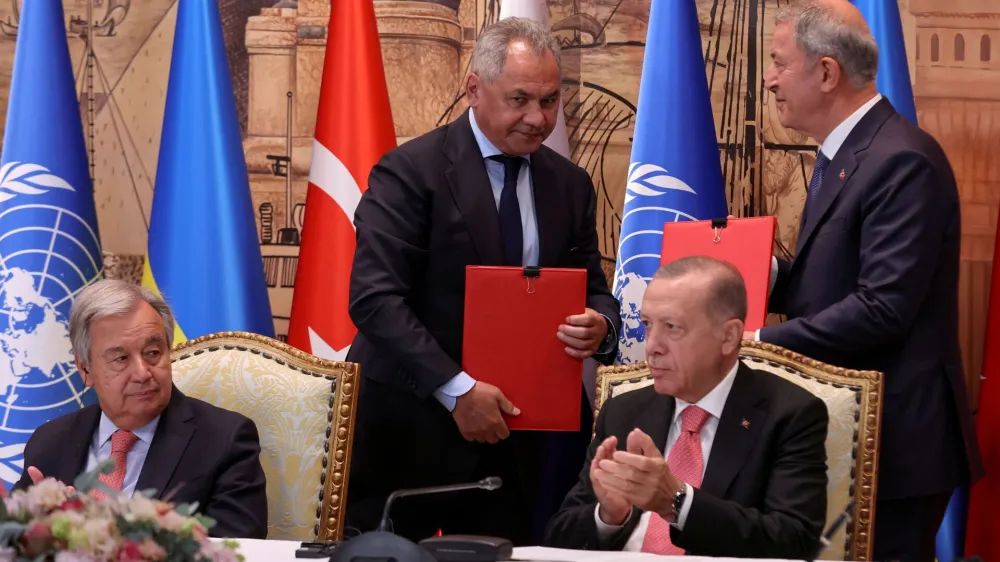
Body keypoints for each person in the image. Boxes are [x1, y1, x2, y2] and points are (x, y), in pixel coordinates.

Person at [344, 17, 621, 545]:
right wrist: (457, 390)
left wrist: (601, 326)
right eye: (520, 99)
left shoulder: (570, 185)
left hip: (517, 446)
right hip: (410, 431)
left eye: (550, 100)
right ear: (475, 89)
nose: (538, 118)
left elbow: (593, 287)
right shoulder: (409, 172)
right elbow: (375, 299)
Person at [757, 1, 982, 560]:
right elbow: (833, 281)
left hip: (897, 442)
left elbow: (883, 307)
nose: (770, 78)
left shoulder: (901, 160)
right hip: (855, 426)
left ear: (827, 73)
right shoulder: (849, 153)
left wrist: (758, 345)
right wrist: (760, 276)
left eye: (779, 62)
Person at [545, 256, 828, 558]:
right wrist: (609, 517)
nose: (652, 345)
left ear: (728, 336)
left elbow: (794, 542)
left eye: (672, 327)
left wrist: (677, 502)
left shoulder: (789, 414)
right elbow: (557, 536)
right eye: (647, 325)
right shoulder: (624, 411)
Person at [12, 280, 268, 539]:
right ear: (85, 370)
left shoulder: (224, 441)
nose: (142, 373)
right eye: (121, 359)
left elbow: (237, 551)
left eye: (153, 353)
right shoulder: (49, 443)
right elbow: (10, 541)